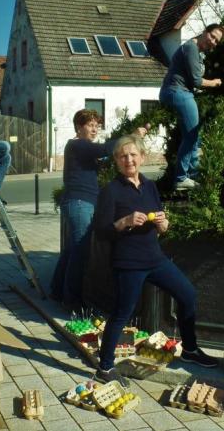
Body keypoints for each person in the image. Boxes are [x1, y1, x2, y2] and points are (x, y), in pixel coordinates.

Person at [93, 134, 220, 388]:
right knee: (122, 313)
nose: (128, 159)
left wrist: (164, 224)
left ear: (142, 157)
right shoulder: (111, 191)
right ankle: (104, 367)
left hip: (155, 258)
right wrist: (125, 221)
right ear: (117, 161)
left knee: (188, 295)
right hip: (128, 263)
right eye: (122, 156)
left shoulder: (149, 186)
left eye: (133, 155)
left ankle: (190, 350)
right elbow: (100, 231)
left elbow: (162, 226)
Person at [50, 109, 146, 308]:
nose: (95, 129)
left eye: (97, 126)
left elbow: (101, 157)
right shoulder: (78, 145)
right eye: (90, 125)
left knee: (71, 250)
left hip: (80, 202)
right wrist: (132, 137)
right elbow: (105, 149)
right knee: (80, 252)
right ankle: (72, 301)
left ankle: (57, 290)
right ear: (79, 127)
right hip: (80, 203)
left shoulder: (84, 150)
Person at [159, 24, 224, 190]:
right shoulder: (191, 48)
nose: (214, 42)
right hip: (178, 92)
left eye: (217, 41)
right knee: (192, 135)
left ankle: (193, 174)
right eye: (212, 36)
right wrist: (215, 83)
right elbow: (196, 81)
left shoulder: (197, 51)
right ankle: (181, 177)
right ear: (204, 32)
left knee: (194, 137)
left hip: (179, 92)